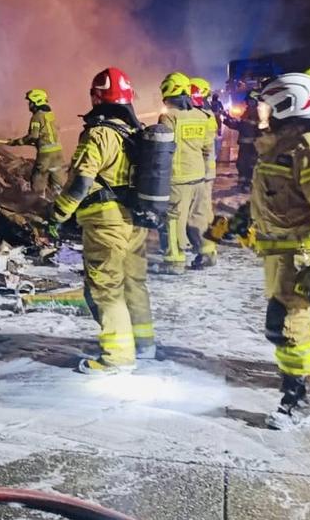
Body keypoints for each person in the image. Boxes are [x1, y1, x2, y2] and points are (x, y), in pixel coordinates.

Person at [250, 73, 310, 430]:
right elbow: (276, 199)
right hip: (281, 253)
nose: (263, 111)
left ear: (286, 105)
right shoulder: (283, 145)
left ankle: (298, 403)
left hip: (301, 255)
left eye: (268, 104)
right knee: (299, 320)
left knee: (285, 328)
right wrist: (237, 226)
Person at [49, 67, 154, 373]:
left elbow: (81, 182)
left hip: (106, 222)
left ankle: (117, 357)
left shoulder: (99, 133)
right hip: (133, 220)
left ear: (96, 97)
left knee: (107, 288)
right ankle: (144, 343)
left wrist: (58, 214)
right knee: (134, 282)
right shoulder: (134, 132)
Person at [155, 73, 213, 274]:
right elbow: (207, 148)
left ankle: (174, 261)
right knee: (197, 217)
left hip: (178, 178)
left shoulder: (169, 116)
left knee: (173, 219)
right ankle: (207, 252)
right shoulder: (202, 116)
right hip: (198, 176)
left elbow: (162, 146)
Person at [7, 88, 67, 199]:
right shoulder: (50, 115)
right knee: (57, 182)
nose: (29, 105)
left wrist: (17, 142)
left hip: (46, 156)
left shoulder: (36, 117)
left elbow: (33, 136)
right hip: (58, 154)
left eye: (30, 102)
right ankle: (60, 205)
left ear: (36, 102)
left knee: (38, 179)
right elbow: (52, 132)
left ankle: (39, 203)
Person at [187, 77, 220, 269]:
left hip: (202, 171)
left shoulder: (203, 115)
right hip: (205, 170)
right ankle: (208, 247)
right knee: (203, 211)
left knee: (198, 214)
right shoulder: (206, 114)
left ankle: (207, 250)